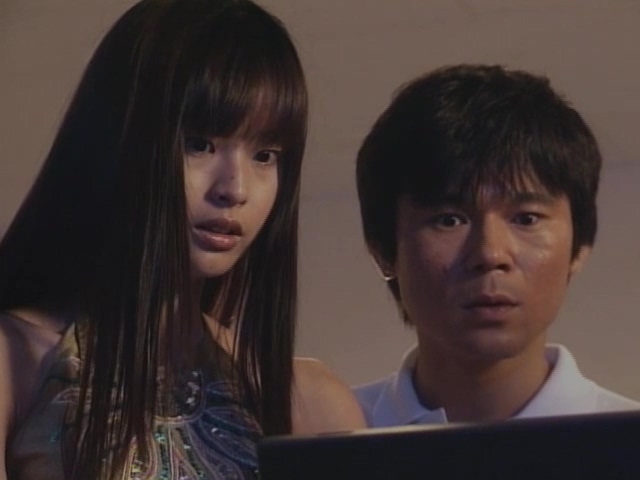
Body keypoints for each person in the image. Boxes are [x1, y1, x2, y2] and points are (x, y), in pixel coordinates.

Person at [0, 1, 365, 478]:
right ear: (121, 140)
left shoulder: (307, 403)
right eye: (200, 144)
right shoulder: (16, 362)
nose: (235, 188)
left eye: (265, 155)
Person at [353, 64, 640, 428]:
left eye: (526, 218)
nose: (490, 254)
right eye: (449, 220)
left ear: (580, 247)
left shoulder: (625, 442)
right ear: (382, 250)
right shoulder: (322, 437)